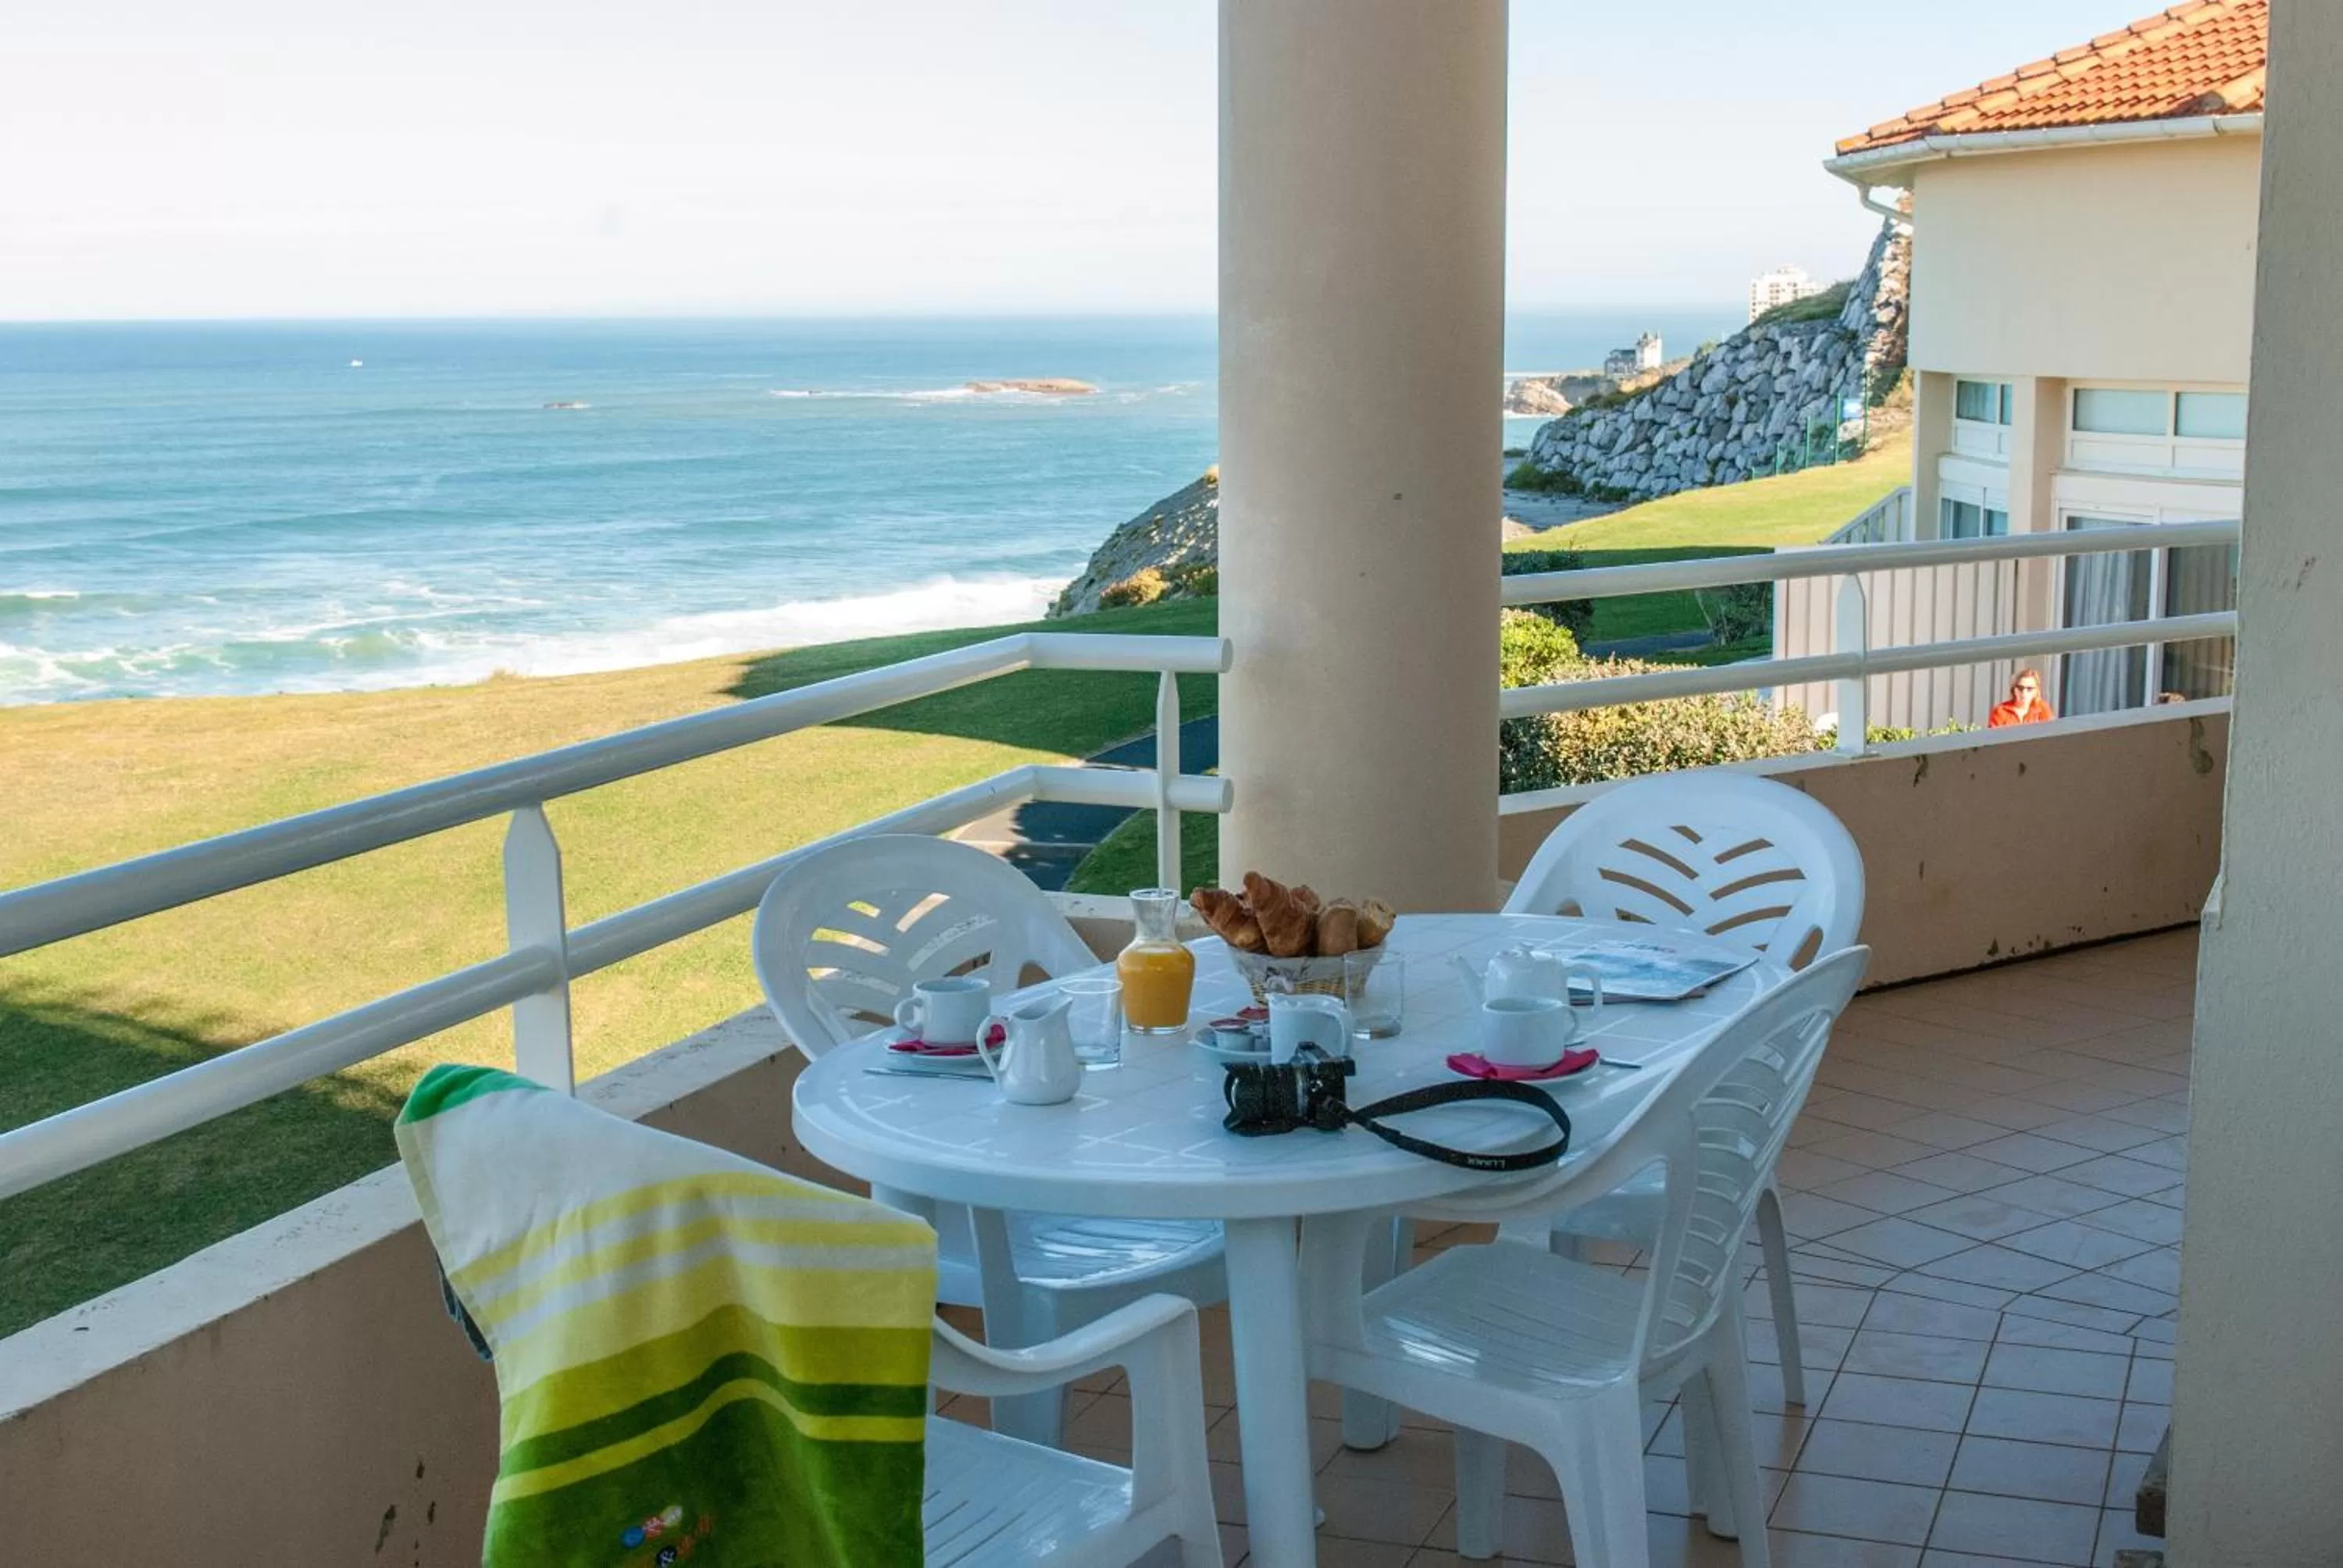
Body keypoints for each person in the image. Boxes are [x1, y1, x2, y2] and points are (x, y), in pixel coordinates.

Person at [1988, 669, 2054, 728]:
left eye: (2029, 689)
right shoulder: (2001, 710)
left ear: (2036, 691)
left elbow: (2052, 733)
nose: (2024, 693)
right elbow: (1994, 738)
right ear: (2014, 690)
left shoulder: (2042, 708)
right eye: (2020, 688)